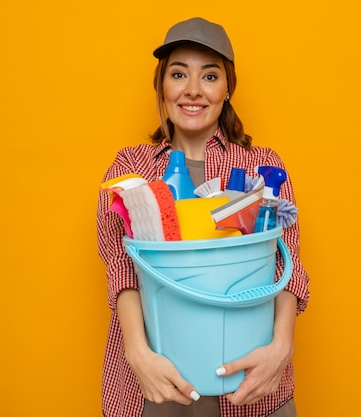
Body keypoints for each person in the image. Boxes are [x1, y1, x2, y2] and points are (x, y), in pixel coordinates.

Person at [96, 17, 310, 417]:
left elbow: (288, 263)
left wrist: (281, 349)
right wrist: (138, 355)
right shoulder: (132, 169)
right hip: (157, 386)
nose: (193, 90)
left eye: (209, 76)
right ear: (162, 86)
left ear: (227, 89)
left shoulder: (262, 167)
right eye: (179, 74)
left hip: (250, 385)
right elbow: (122, 267)